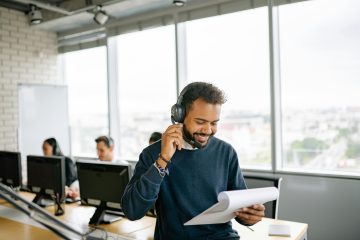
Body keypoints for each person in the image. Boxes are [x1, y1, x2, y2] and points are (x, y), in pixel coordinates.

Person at [121, 82, 265, 239]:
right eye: (200, 122)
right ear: (180, 116)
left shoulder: (226, 152)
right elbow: (132, 211)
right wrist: (163, 160)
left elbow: (239, 208)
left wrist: (249, 217)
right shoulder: (153, 154)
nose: (208, 130)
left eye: (214, 123)